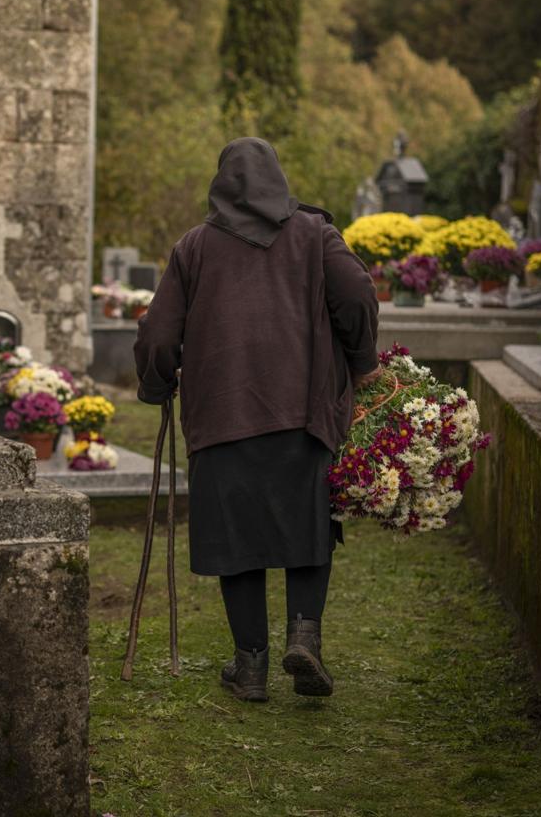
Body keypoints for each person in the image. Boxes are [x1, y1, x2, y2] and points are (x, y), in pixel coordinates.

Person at [134, 138, 380, 702]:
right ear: (279, 179)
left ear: (221, 181)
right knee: (308, 530)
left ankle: (251, 668)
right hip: (304, 412)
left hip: (224, 418)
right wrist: (362, 361)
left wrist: (155, 383)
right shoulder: (315, 234)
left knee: (235, 541)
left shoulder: (194, 246)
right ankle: (304, 639)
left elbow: (158, 332)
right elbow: (357, 294)